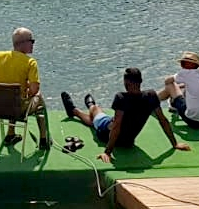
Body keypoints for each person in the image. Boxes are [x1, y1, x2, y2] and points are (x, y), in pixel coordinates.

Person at [60, 67, 191, 163]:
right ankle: (80, 109)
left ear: (126, 83)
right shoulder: (151, 96)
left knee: (96, 111)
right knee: (96, 119)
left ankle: (76, 110)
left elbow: (116, 126)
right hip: (128, 142)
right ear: (140, 81)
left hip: (106, 133)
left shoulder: (121, 97)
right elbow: (162, 120)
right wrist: (174, 143)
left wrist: (107, 152)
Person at [0, 26, 50, 149]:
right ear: (23, 43)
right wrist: (28, 90)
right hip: (18, 110)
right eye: (32, 41)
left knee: (11, 96)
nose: (33, 44)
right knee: (39, 99)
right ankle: (44, 139)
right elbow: (34, 90)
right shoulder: (30, 62)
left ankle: (10, 134)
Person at [158, 51, 199, 129]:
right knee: (183, 86)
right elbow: (193, 84)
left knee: (170, 86)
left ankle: (152, 100)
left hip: (193, 122)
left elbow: (167, 81)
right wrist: (179, 86)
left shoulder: (184, 73)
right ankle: (173, 105)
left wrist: (175, 87)